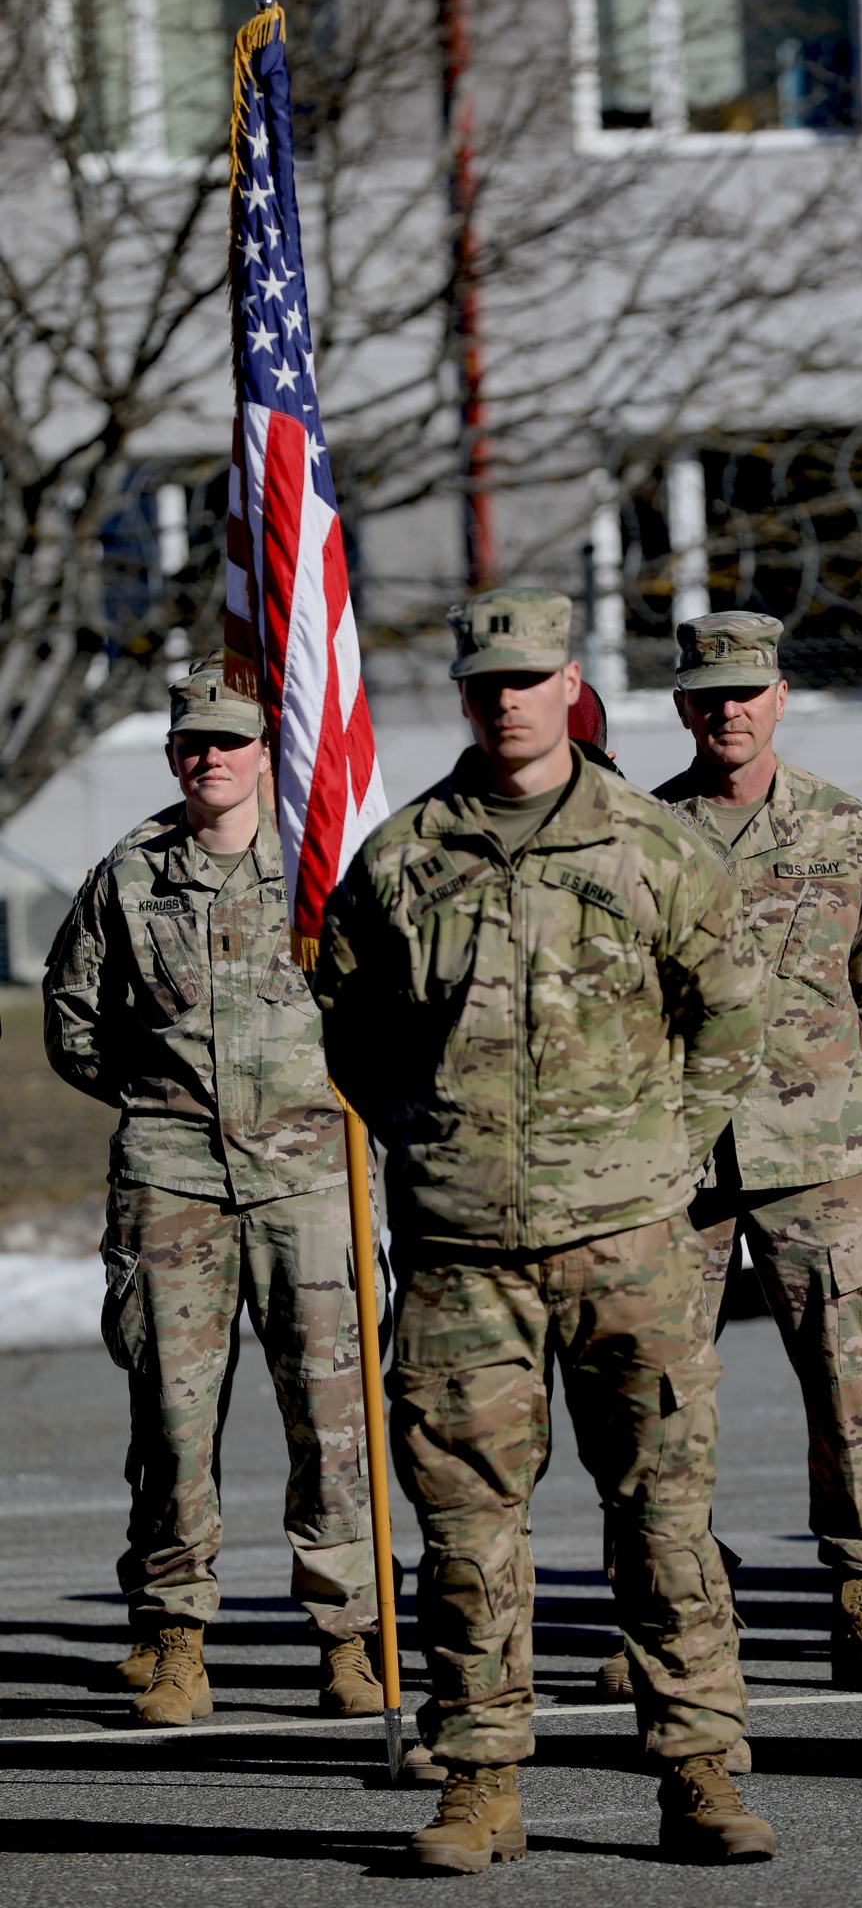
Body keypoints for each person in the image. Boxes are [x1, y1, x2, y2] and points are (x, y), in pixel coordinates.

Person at [313, 586, 777, 1871]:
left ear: (568, 683)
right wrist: (427, 1134)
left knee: (663, 1515)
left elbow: (731, 1009)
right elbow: (350, 1022)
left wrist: (665, 1150)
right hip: (463, 1253)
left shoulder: (650, 843)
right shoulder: (405, 855)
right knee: (467, 1528)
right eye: (485, 678)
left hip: (630, 1242)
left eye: (529, 676)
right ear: (463, 693)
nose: (508, 697)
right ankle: (479, 1783)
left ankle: (696, 1771)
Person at [43, 651, 383, 1726]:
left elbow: (397, 1002)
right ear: (172, 752)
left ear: (263, 750)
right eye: (192, 740)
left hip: (311, 1181)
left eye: (230, 740)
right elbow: (73, 1017)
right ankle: (174, 1633)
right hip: (173, 1180)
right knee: (174, 1419)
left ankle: (349, 1638)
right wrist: (161, 1098)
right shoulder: (130, 870)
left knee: (332, 1420)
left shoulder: (323, 862)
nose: (210, 758)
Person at [650, 610, 862, 1693]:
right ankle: (683, 1607)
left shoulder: (843, 830)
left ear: (777, 698)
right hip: (673, 1158)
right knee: (661, 1389)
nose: (726, 709)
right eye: (706, 693)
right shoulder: (640, 832)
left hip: (815, 1150)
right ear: (682, 705)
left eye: (745, 691)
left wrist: (820, 1085)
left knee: (848, 1374)